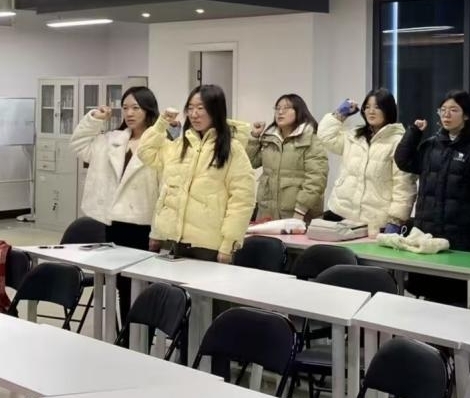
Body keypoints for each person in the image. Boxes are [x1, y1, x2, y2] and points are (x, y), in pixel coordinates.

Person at [394, 90, 470, 305]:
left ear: (466, 115)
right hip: (428, 233)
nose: (446, 115)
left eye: (453, 110)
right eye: (443, 110)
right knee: (427, 295)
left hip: (462, 237)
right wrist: (413, 133)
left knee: (457, 298)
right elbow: (404, 161)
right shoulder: (431, 145)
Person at [70, 86, 162, 324]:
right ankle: (125, 335)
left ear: (148, 109)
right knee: (122, 284)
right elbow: (79, 146)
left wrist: (161, 230)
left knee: (143, 286)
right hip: (116, 223)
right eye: (125, 108)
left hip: (145, 224)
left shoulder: (161, 143)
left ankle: (141, 336)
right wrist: (94, 119)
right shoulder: (113, 140)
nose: (129, 113)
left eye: (136, 108)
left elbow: (166, 190)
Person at [138, 85, 256, 262]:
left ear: (215, 110)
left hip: (209, 246)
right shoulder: (180, 145)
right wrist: (162, 123)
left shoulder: (232, 149)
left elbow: (242, 200)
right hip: (174, 240)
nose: (194, 114)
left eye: (201, 108)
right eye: (190, 108)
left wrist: (228, 245)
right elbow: (146, 152)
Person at [316, 89, 416, 236]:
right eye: (367, 107)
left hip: (375, 222)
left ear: (388, 110)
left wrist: (396, 220)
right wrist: (339, 115)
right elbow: (325, 137)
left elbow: (404, 186)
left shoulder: (398, 141)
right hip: (343, 215)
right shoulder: (354, 136)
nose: (371, 111)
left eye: (377, 107)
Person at [247, 94, 328, 221]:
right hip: (267, 212)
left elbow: (316, 179)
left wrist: (301, 210)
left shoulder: (310, 139)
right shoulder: (270, 138)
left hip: (298, 214)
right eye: (278, 108)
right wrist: (254, 137)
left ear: (298, 111)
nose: (280, 112)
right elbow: (251, 162)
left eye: (286, 108)